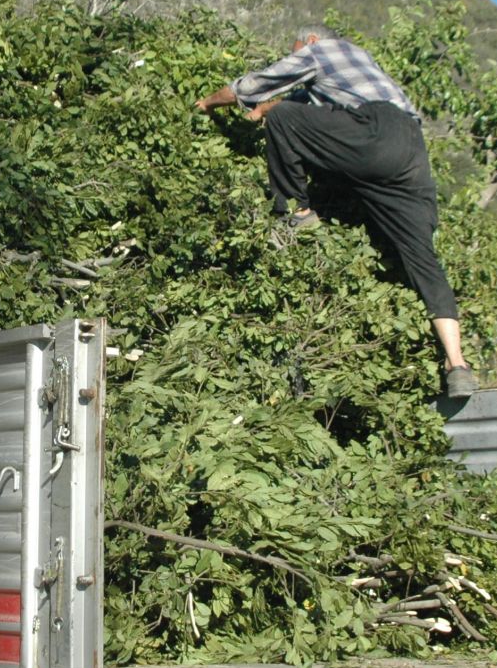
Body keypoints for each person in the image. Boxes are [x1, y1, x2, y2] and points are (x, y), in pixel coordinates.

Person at [196, 27, 477, 399]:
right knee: (423, 259)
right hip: (410, 149)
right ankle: (457, 364)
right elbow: (290, 100)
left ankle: (298, 211)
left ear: (311, 41)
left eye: (294, 50)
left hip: (372, 132)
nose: (293, 57)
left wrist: (209, 104)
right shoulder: (363, 66)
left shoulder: (324, 50)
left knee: (284, 122)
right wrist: (261, 111)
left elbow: (256, 85)